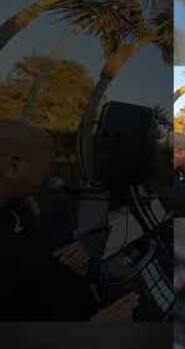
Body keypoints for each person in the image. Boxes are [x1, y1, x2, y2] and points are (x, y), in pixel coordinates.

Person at [0, 119, 138, 321]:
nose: (50, 175)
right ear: (14, 167)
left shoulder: (18, 207)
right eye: (46, 166)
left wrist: (81, 252)